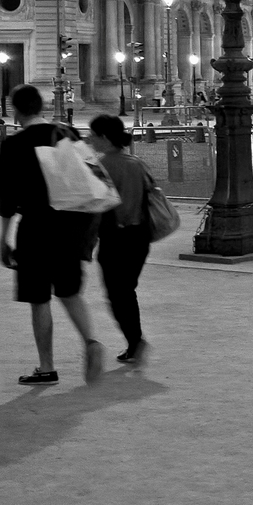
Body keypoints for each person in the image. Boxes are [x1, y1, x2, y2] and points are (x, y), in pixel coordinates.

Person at [0, 85, 105, 385]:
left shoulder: (15, 145)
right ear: (41, 106)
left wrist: (4, 237)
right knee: (69, 291)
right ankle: (91, 341)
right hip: (71, 225)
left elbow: (6, 198)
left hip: (36, 227)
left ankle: (46, 367)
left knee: (38, 298)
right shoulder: (67, 133)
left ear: (15, 109)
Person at [87, 114, 154, 365]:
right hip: (140, 236)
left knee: (117, 294)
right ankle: (135, 342)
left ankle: (135, 342)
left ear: (104, 137)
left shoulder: (100, 166)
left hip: (115, 237)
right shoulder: (137, 163)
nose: (90, 139)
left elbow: (94, 207)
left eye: (93, 135)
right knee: (126, 291)